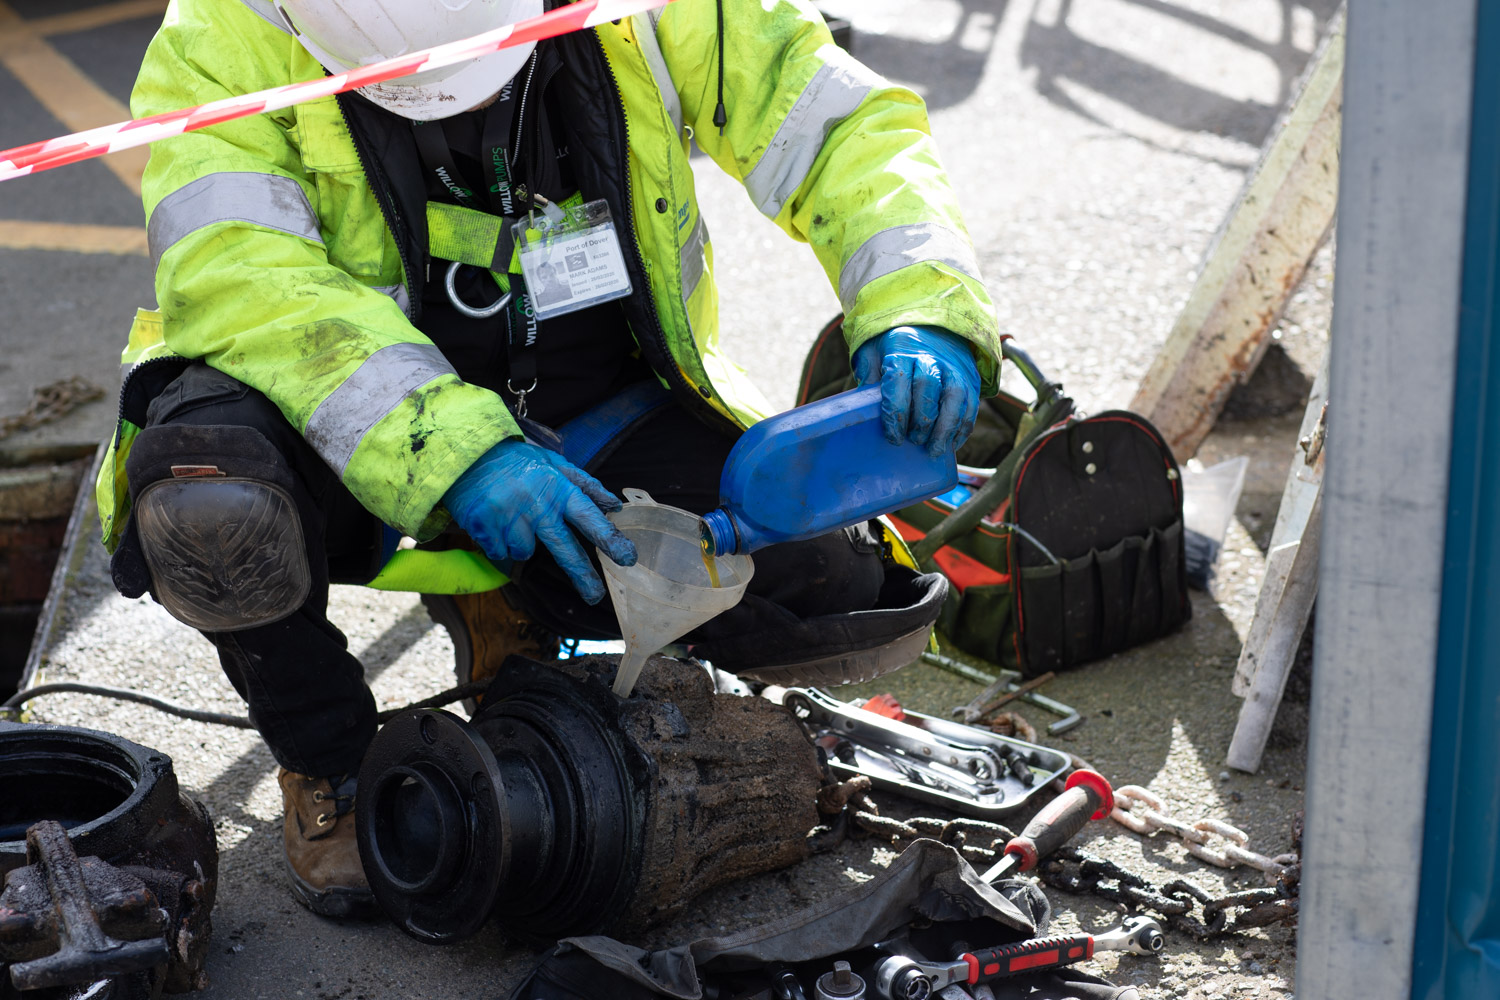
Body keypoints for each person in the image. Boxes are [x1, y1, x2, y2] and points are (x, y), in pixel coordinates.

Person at [97, 0, 1005, 918]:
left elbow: (832, 121)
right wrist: (460, 453)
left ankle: (511, 600)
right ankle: (330, 764)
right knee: (210, 509)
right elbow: (246, 277)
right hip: (340, 425)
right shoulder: (227, 31)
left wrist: (916, 297)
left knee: (837, 588)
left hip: (590, 406)